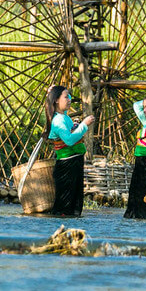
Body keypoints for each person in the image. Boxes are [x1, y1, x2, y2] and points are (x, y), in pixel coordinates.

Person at [43, 85, 95, 216]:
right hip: (67, 165)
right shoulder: (58, 121)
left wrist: (50, 93)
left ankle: (73, 227)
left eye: (70, 96)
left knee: (75, 201)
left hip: (74, 162)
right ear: (56, 100)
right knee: (65, 204)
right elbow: (70, 140)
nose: (70, 100)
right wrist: (84, 125)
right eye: (66, 97)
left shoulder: (64, 116)